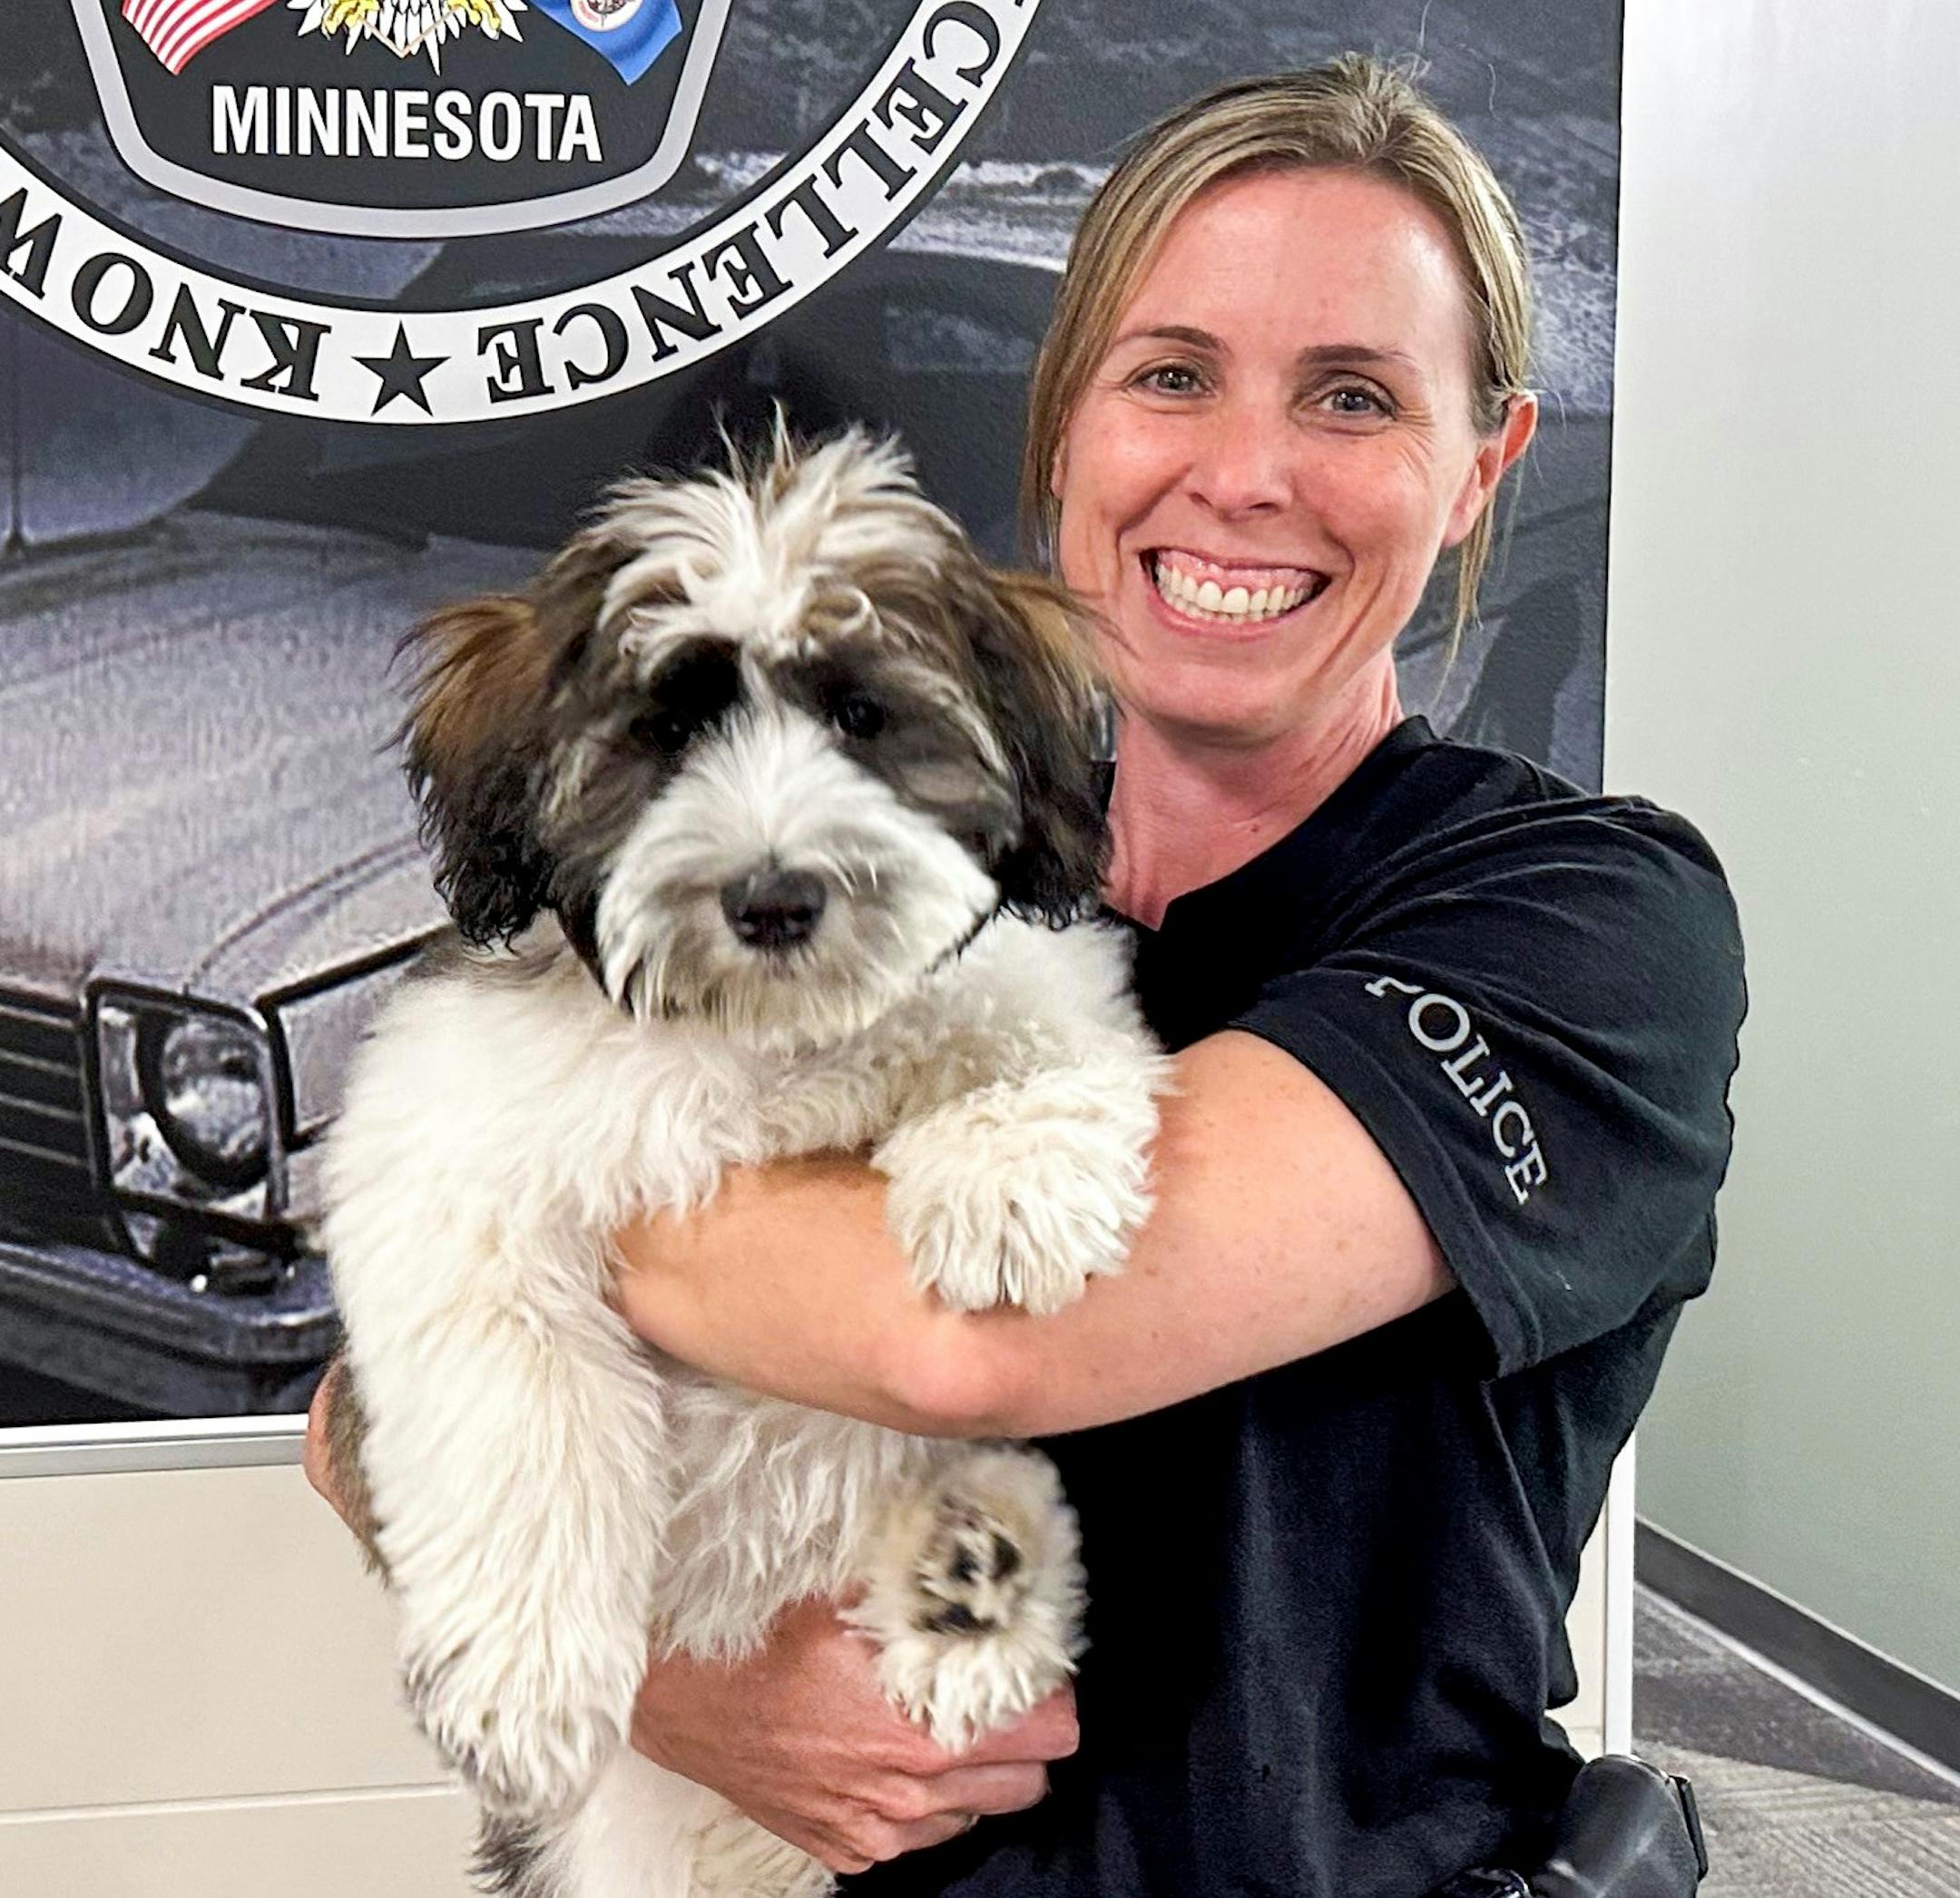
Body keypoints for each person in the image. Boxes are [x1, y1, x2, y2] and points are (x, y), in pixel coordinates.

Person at [309, 54, 1744, 1898]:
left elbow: (969, 1328)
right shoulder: (936, 910)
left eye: (1355, 397)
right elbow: (359, 1421)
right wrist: (673, 1684)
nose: (1245, 473)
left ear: (1484, 467)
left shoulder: (1581, 921)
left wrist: (510, 1187)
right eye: (1171, 375)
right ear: (1063, 428)